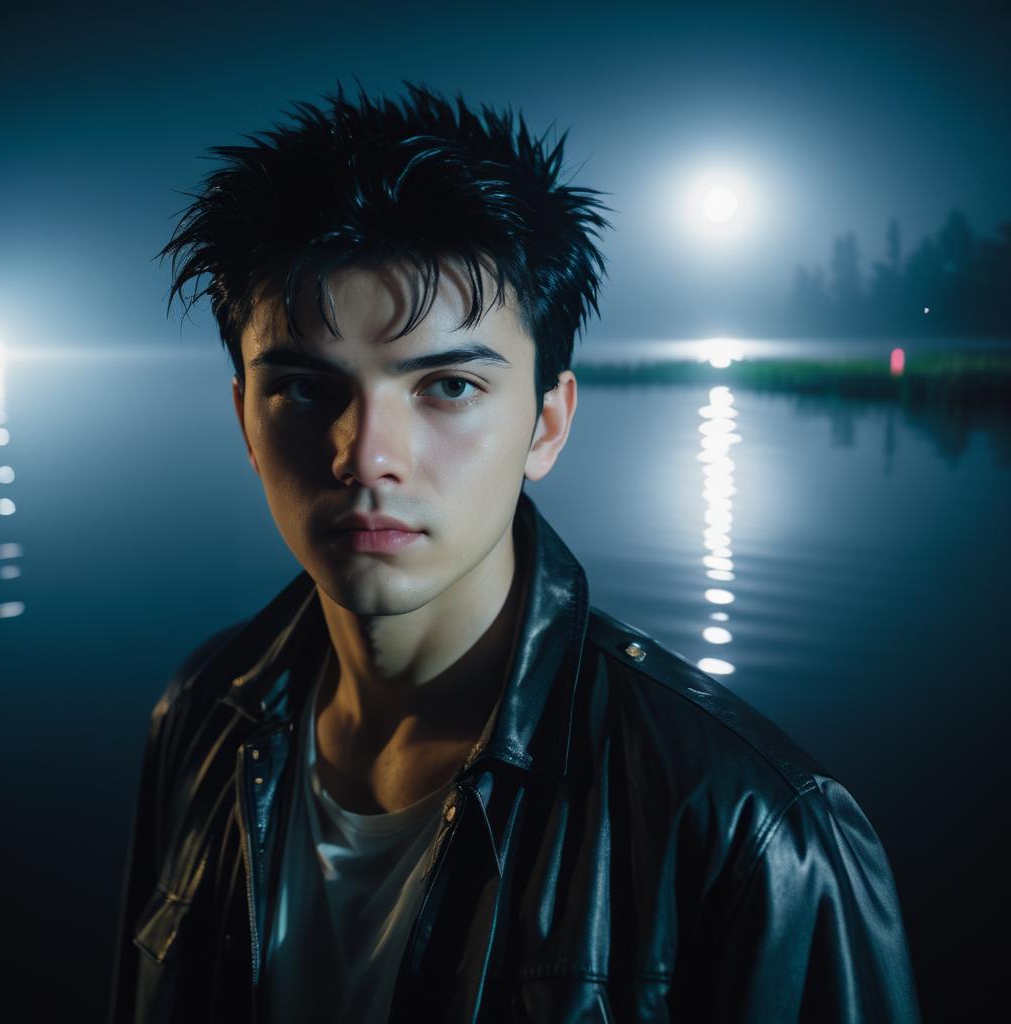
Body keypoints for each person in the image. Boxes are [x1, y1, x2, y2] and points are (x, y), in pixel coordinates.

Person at [108, 82, 922, 1023]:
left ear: (547, 424)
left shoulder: (754, 828)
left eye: (447, 386)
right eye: (303, 390)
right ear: (245, 422)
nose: (366, 456)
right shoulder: (204, 714)